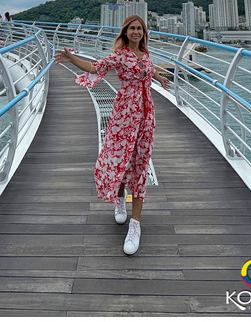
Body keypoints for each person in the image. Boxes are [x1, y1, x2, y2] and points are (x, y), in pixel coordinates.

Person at [54, 15, 171, 255]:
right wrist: (71, 58)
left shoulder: (145, 55)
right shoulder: (120, 55)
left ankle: (135, 225)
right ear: (125, 32)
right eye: (132, 29)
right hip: (124, 114)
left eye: (140, 28)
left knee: (140, 164)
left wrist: (159, 78)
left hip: (146, 115)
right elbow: (95, 67)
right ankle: (119, 199)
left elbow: (148, 71)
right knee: (117, 158)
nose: (136, 32)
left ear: (143, 32)